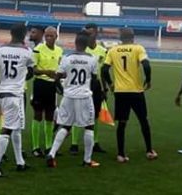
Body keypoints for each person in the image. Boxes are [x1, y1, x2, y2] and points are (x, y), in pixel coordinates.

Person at [0, 23, 53, 177]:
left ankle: (20, 162)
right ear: (24, 35)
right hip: (15, 94)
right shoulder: (26, 52)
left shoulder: (0, 50)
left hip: (4, 91)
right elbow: (32, 71)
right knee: (8, 128)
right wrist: (46, 72)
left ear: (11, 33)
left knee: (16, 127)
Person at [102, 28, 157, 162]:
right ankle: (149, 151)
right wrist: (148, 80)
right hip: (136, 91)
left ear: (120, 38)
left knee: (122, 123)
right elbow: (146, 65)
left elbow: (104, 69)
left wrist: (110, 83)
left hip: (120, 92)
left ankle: (121, 154)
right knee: (143, 120)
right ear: (133, 37)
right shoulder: (138, 48)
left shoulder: (113, 50)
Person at [46, 31, 100, 168]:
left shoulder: (66, 58)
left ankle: (52, 153)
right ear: (87, 44)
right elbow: (94, 80)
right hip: (84, 96)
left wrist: (62, 90)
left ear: (75, 43)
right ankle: (87, 160)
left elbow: (57, 78)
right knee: (89, 126)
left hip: (68, 96)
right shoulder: (92, 59)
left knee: (65, 125)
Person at [30, 26, 63, 157]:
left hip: (52, 86)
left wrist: (59, 78)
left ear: (56, 37)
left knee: (50, 116)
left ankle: (49, 146)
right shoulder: (38, 49)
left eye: (51, 36)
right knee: (38, 115)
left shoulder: (59, 50)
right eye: (47, 36)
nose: (48, 38)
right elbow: (33, 70)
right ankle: (35, 147)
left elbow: (59, 68)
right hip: (40, 84)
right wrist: (46, 72)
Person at [83, 23, 108, 154]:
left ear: (96, 33)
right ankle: (74, 144)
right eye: (87, 33)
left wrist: (105, 89)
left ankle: (95, 142)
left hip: (97, 85)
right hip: (83, 84)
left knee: (95, 114)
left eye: (91, 33)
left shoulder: (102, 51)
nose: (89, 35)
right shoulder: (82, 50)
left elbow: (103, 72)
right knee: (79, 113)